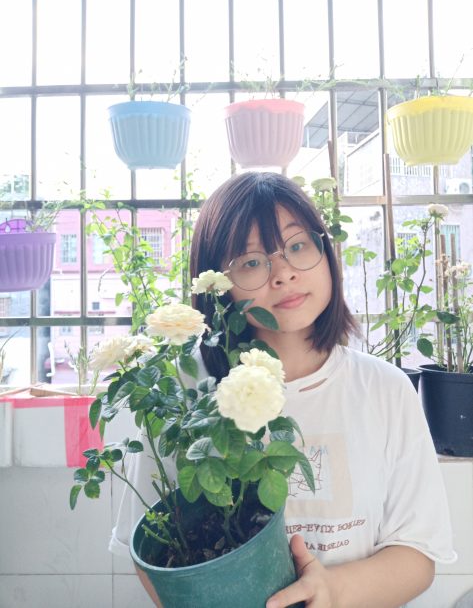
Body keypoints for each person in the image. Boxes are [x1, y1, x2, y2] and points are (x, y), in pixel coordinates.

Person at [110, 171, 456, 607]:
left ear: (325, 252)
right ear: (217, 283)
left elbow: (417, 555)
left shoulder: (385, 389)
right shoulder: (182, 391)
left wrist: (332, 591)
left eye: (297, 246)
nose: (284, 274)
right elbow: (152, 555)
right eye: (252, 262)